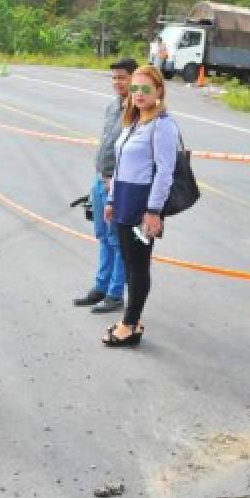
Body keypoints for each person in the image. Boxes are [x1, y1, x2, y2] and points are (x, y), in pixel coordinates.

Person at [101, 65, 178, 347]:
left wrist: (154, 211)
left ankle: (130, 324)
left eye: (146, 88)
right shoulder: (133, 121)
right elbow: (121, 165)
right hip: (123, 199)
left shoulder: (163, 125)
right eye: (135, 88)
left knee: (138, 265)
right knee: (129, 261)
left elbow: (165, 172)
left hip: (142, 204)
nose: (140, 94)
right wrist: (111, 200)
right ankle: (133, 318)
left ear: (159, 91)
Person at [74, 58, 138, 314]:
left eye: (122, 77)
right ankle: (100, 287)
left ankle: (114, 292)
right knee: (102, 235)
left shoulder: (138, 110)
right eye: (114, 78)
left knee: (116, 239)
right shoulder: (112, 108)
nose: (117, 82)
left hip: (118, 183)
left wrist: (117, 181)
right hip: (100, 179)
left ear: (135, 78)